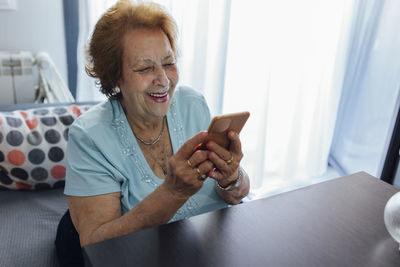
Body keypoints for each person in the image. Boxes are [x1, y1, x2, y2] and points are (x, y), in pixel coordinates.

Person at [55, 0, 250, 265]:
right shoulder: (90, 137)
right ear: (115, 77)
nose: (164, 80)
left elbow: (237, 193)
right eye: (145, 68)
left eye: (168, 63)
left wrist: (231, 177)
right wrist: (172, 193)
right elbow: (97, 245)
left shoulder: (192, 103)